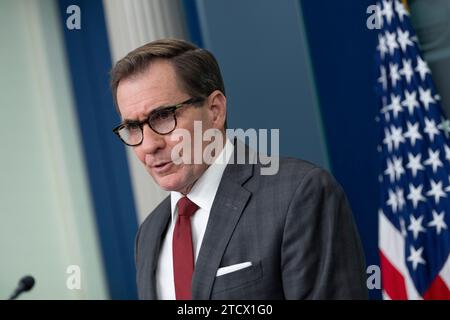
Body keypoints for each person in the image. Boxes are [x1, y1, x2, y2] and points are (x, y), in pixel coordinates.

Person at [110, 38, 368, 300]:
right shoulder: (149, 233)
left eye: (163, 116)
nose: (149, 146)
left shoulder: (299, 194)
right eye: (132, 128)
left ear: (215, 110)